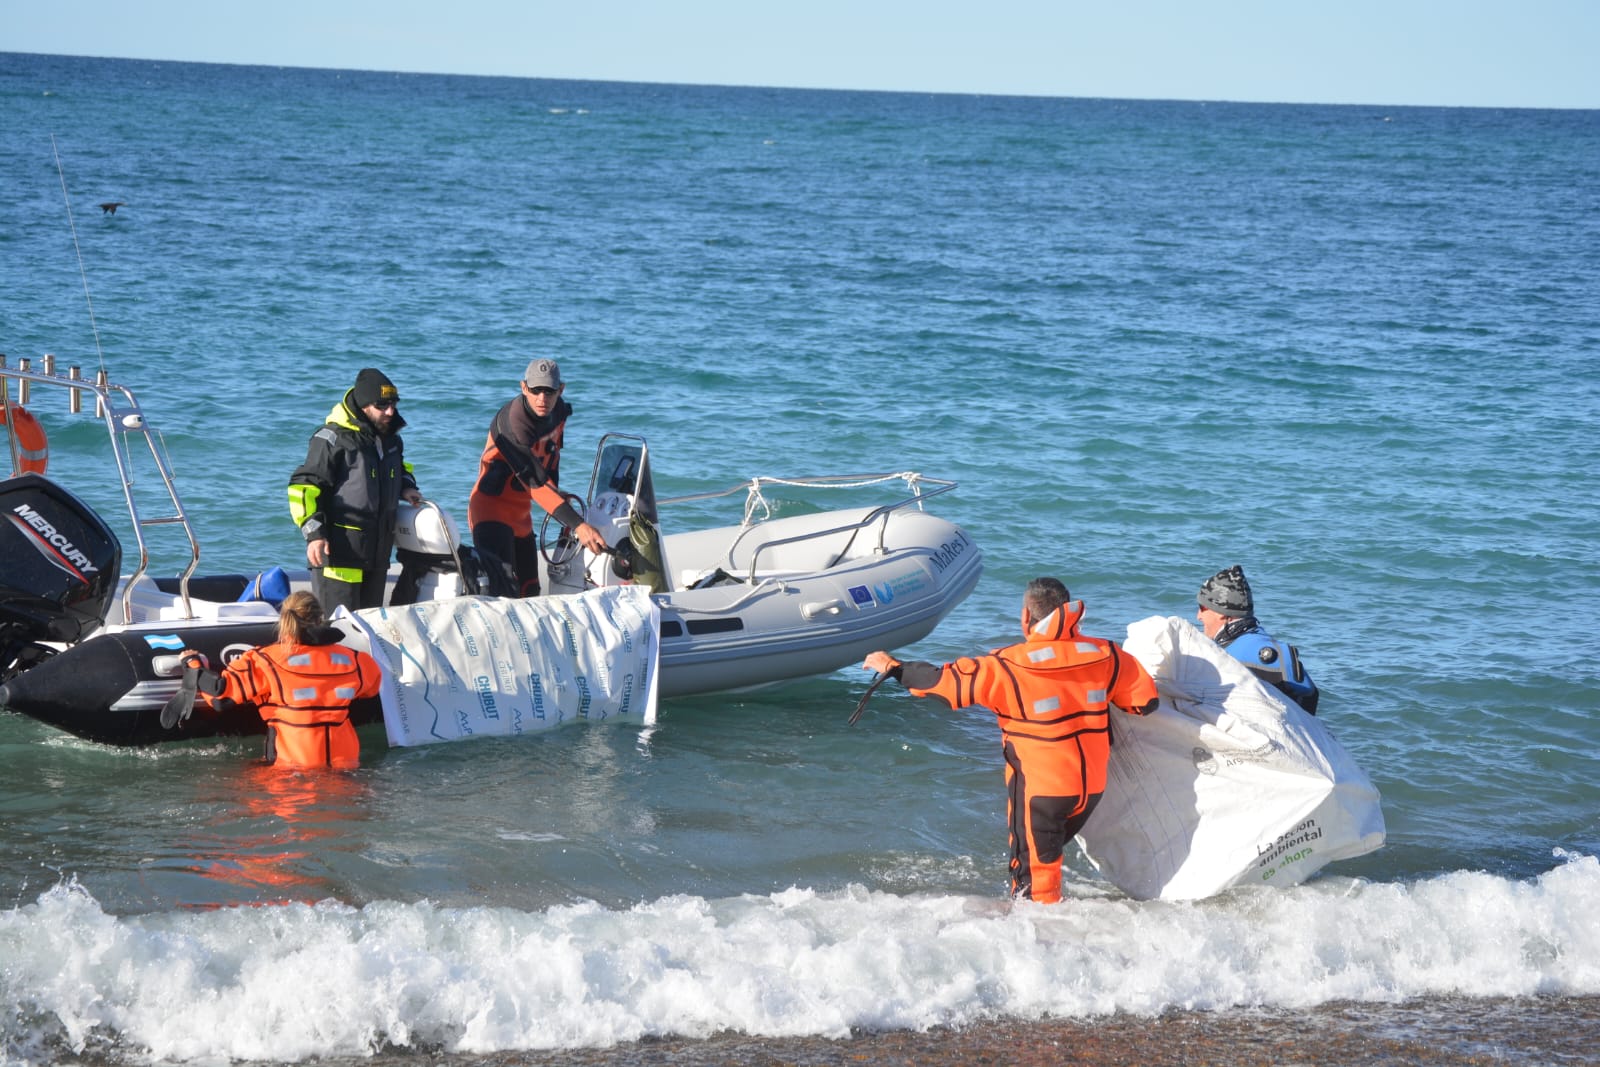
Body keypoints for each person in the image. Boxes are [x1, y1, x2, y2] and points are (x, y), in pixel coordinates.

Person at [862, 577, 1160, 904]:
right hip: (1091, 791)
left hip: (1042, 793)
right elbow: (1144, 703)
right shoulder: (1107, 653)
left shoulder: (1007, 665)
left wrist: (893, 667)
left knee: (1035, 889)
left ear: (1025, 616)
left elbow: (942, 684)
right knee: (1043, 863)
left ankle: (1043, 933)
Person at [177, 592, 382, 770]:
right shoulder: (355, 659)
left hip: (292, 770)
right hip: (346, 766)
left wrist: (193, 664)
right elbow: (372, 688)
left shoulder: (265, 660)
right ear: (321, 618)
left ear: (284, 620)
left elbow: (220, 696)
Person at [468, 357, 606, 597]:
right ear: (524, 387)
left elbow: (551, 457)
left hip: (521, 517)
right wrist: (578, 525)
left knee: (530, 590)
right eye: (536, 390)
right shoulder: (512, 423)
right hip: (490, 514)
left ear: (560, 390)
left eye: (549, 391)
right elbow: (535, 482)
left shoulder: (558, 412)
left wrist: (559, 496)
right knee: (503, 595)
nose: (543, 398)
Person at [288, 368, 422, 614]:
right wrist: (314, 535)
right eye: (382, 406)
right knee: (339, 629)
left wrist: (407, 486)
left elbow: (400, 468)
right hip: (339, 557)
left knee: (371, 627)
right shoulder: (331, 439)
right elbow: (304, 487)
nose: (390, 412)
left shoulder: (391, 439)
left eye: (393, 404)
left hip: (378, 557)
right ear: (363, 405)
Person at [1196, 564, 1320, 714]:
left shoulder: (1226, 656)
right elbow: (1310, 696)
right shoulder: (1275, 650)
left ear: (1221, 612)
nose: (1198, 616)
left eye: (1202, 608)